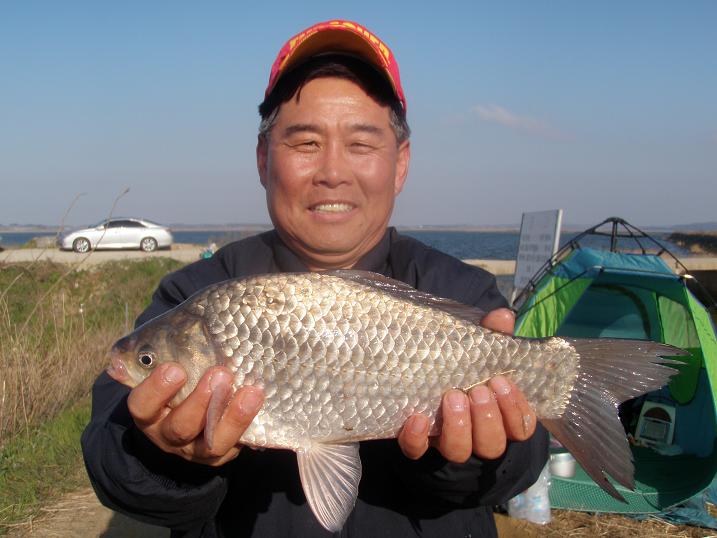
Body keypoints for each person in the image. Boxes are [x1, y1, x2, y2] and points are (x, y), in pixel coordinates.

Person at [82, 19, 548, 538]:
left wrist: (465, 458)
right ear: (263, 159)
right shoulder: (194, 295)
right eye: (305, 142)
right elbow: (111, 459)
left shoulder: (464, 292)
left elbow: (524, 462)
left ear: (400, 164)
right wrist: (165, 456)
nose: (332, 172)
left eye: (361, 144)